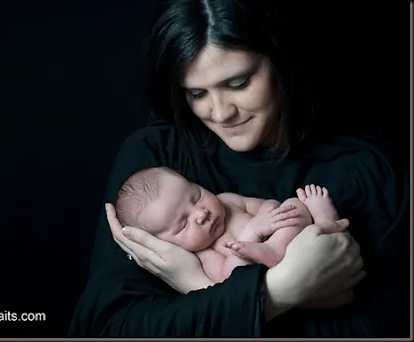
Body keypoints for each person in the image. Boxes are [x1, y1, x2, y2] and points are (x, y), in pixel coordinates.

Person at [69, 0, 409, 337]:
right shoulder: (156, 158)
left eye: (238, 84)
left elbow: (389, 327)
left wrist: (199, 290)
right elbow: (108, 328)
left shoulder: (364, 168)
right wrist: (279, 291)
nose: (220, 114)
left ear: (279, 61)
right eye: (197, 93)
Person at [114, 166, 341, 284]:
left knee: (291, 204)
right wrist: (252, 233)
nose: (201, 213)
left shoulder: (226, 201)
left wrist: (268, 212)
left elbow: (269, 205)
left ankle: (326, 223)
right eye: (183, 224)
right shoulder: (203, 255)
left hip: (298, 241)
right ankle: (318, 233)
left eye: (196, 196)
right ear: (165, 244)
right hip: (288, 274)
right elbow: (229, 278)